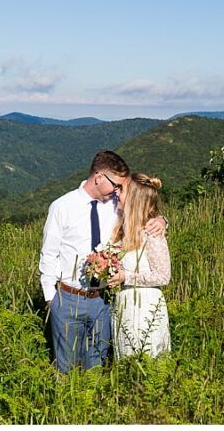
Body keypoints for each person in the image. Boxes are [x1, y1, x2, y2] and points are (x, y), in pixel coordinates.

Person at [38, 150, 165, 374]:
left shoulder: (114, 206)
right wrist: (51, 299)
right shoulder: (62, 207)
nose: (118, 192)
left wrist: (162, 220)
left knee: (97, 363)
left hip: (102, 301)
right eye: (115, 185)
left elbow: (142, 212)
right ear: (98, 177)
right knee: (65, 367)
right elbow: (49, 255)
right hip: (68, 297)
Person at [105, 173, 172, 358]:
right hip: (124, 303)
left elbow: (163, 276)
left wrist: (126, 277)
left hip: (145, 306)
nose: (116, 193)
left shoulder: (151, 231)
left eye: (122, 190)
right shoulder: (123, 230)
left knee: (146, 355)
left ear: (134, 199)